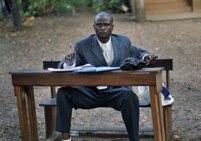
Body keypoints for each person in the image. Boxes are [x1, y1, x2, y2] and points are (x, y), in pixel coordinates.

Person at [56, 11, 155, 141]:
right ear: (94, 27)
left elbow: (138, 52)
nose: (102, 28)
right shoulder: (82, 45)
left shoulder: (123, 42)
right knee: (63, 93)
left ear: (112, 27)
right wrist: (68, 64)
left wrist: (145, 57)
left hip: (117, 91)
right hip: (90, 93)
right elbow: (67, 64)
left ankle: (134, 139)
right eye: (99, 25)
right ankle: (66, 139)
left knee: (131, 97)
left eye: (106, 24)